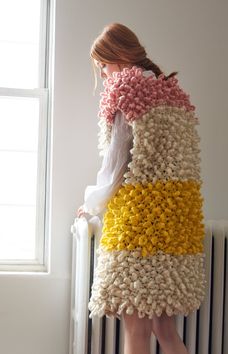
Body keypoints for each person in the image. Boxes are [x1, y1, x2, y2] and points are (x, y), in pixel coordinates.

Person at [77, 23, 206, 354]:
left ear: (119, 56)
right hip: (176, 228)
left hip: (140, 229)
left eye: (104, 65)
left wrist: (91, 203)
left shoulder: (127, 90)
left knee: (136, 330)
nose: (104, 74)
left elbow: (118, 164)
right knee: (166, 330)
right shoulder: (173, 94)